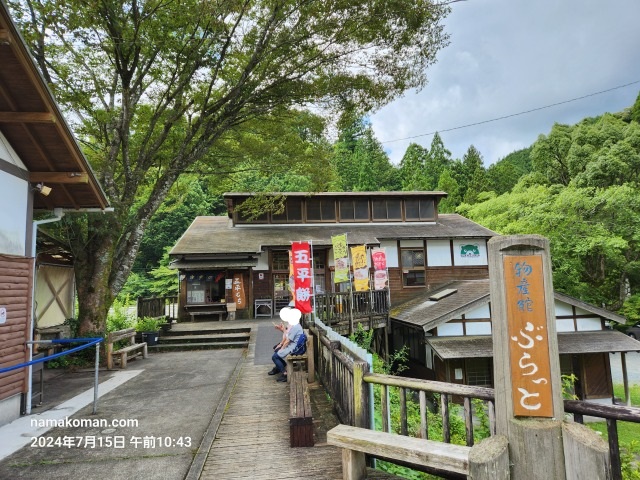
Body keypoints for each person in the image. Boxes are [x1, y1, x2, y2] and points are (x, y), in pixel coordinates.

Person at [268, 307, 304, 382]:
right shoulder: (294, 325)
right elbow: (287, 335)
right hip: (293, 345)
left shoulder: (295, 327)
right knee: (277, 352)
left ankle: (285, 373)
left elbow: (287, 340)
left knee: (275, 356)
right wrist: (282, 329)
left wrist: (282, 348)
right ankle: (280, 367)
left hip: (294, 348)